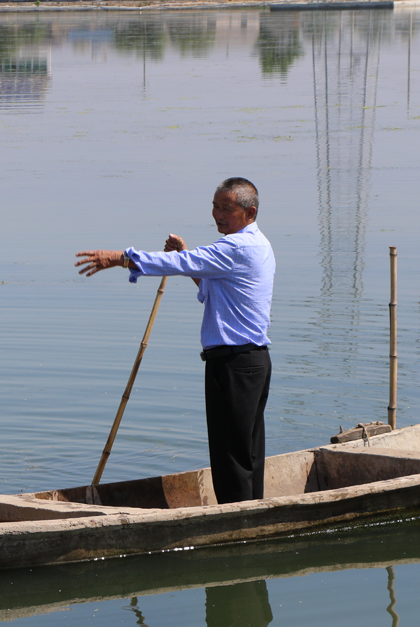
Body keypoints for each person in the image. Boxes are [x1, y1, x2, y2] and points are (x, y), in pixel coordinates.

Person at [75, 177, 274, 504]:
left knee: (231, 455)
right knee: (247, 451)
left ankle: (238, 522)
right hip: (251, 363)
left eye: (226, 208)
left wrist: (121, 258)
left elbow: (179, 264)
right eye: (214, 206)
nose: (218, 214)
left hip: (235, 365)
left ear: (249, 212)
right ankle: (251, 511)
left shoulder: (237, 247)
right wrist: (185, 253)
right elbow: (207, 282)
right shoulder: (256, 244)